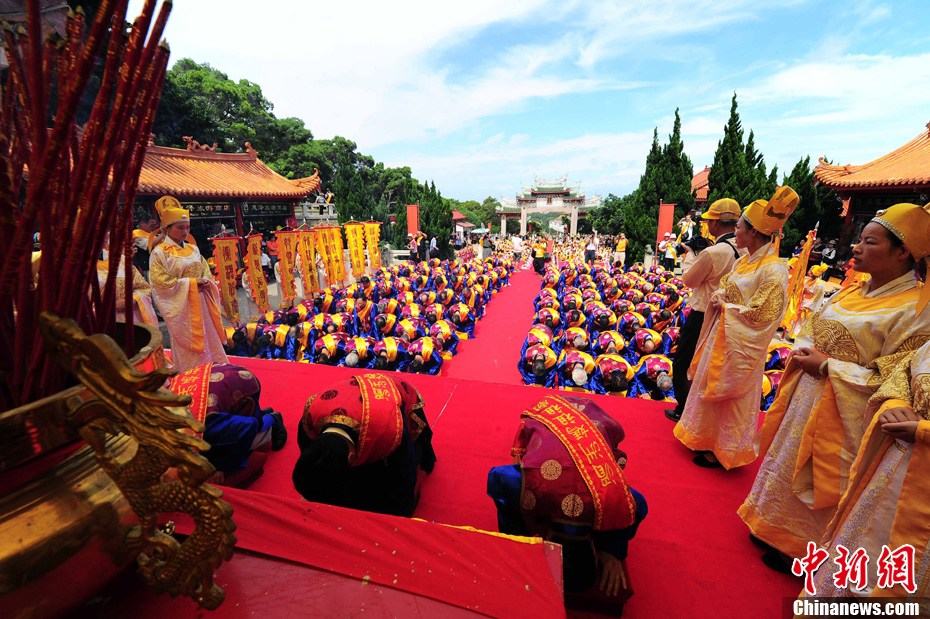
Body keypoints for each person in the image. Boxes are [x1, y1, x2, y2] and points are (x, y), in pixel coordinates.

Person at [738, 202, 930, 572]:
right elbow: (812, 326)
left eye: (870, 242)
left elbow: (896, 375)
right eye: (859, 240)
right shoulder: (852, 290)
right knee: (789, 459)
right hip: (810, 390)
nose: (856, 247)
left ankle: (805, 548)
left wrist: (828, 366)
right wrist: (805, 350)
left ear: (903, 252)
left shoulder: (915, 311)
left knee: (822, 473)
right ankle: (771, 524)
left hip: (846, 405)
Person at [673, 186, 798, 469]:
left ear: (753, 231)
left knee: (733, 396)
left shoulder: (774, 269)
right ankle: (705, 437)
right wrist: (720, 298)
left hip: (739, 341)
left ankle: (725, 449)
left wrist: (727, 308)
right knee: (710, 386)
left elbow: (766, 314)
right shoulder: (744, 262)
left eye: (740, 226)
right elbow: (727, 290)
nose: (737, 230)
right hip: (723, 334)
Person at [800, 338, 930, 604]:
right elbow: (902, 373)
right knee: (861, 552)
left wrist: (924, 432)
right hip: (893, 466)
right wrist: (895, 405)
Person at [487, 395, 647, 600]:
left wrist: (612, 549)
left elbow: (497, 479)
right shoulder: (609, 500)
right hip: (556, 416)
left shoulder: (611, 499)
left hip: (582, 421)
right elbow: (498, 479)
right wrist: (612, 549)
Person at [292, 374, 437, 517]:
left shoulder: (389, 430)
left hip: (391, 392)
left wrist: (399, 513)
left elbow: (405, 476)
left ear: (351, 456)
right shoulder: (311, 415)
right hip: (349, 395)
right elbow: (310, 458)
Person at [664, 198, 743, 422]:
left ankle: (685, 410)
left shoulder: (715, 252)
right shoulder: (746, 249)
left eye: (709, 221)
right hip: (730, 315)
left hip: (703, 314)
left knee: (686, 361)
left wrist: (690, 254)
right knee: (713, 365)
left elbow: (689, 280)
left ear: (715, 223)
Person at [149, 196, 229, 371]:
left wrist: (206, 281)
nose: (185, 232)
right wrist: (191, 284)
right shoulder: (160, 253)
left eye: (187, 228)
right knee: (189, 343)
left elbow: (205, 269)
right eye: (180, 228)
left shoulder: (193, 248)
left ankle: (214, 369)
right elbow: (160, 283)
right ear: (166, 229)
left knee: (209, 336)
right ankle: (192, 373)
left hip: (201, 300)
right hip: (182, 306)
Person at [169, 362, 287, 475]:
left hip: (243, 384)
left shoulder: (205, 428)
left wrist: (222, 466)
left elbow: (249, 425)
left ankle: (272, 420)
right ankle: (258, 413)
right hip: (215, 377)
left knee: (250, 428)